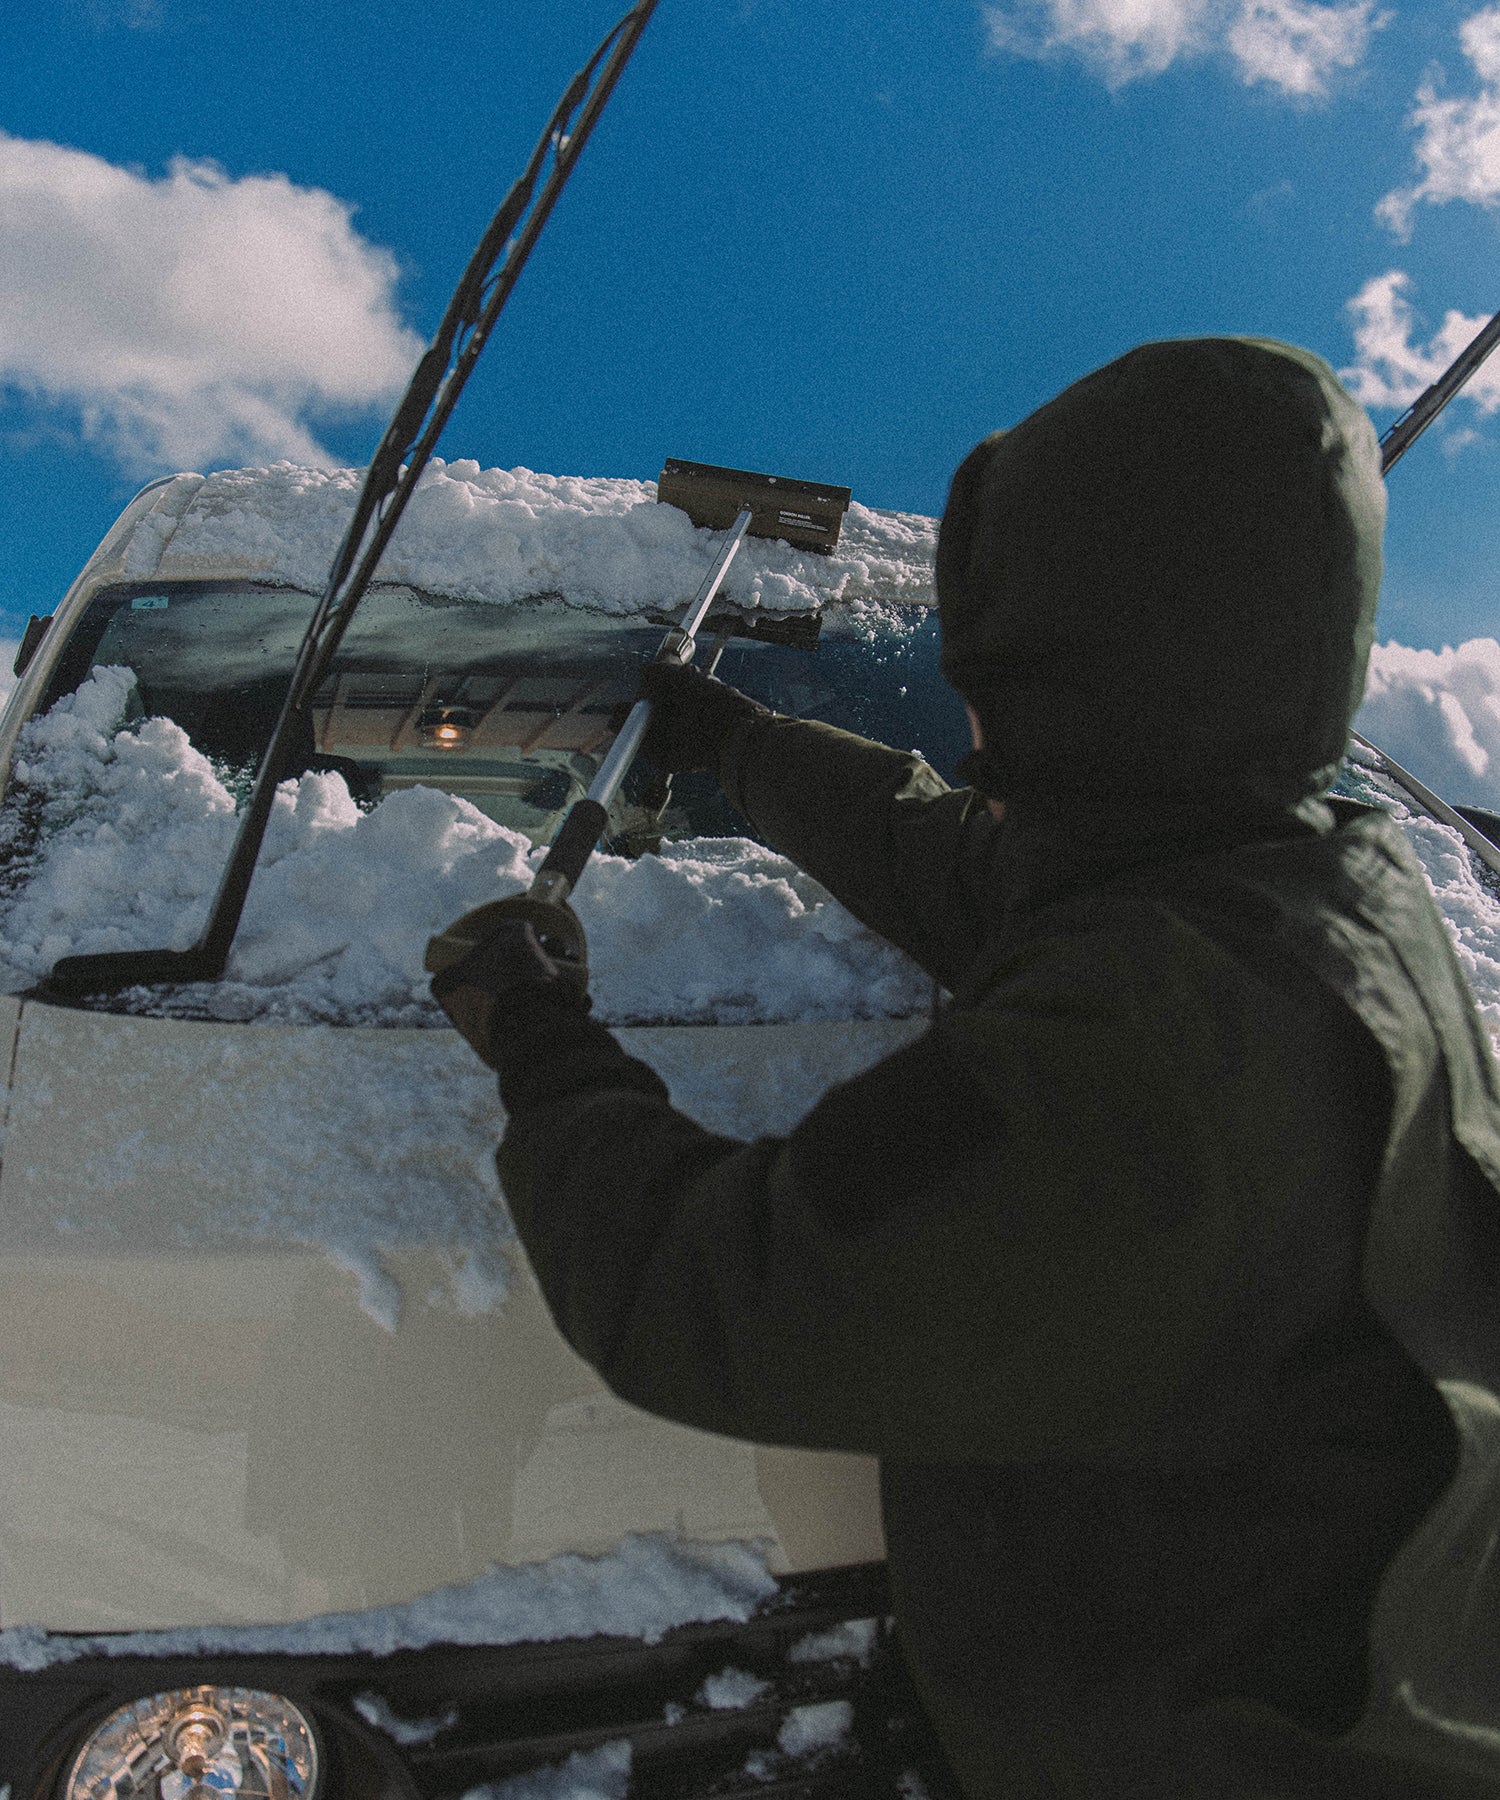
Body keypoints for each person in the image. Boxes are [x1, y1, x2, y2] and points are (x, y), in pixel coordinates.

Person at [433, 337, 1500, 1798]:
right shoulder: (1308, 874)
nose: (975, 721)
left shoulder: (1147, 1055)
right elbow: (963, 861)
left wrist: (539, 1040)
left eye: (990, 667)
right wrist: (741, 743)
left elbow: (729, 1291)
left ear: (1079, 672)